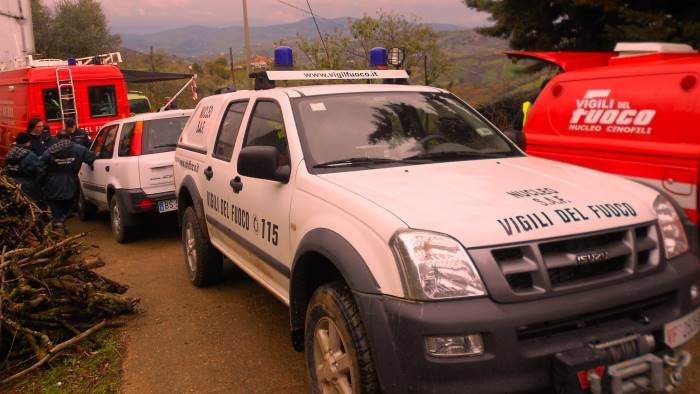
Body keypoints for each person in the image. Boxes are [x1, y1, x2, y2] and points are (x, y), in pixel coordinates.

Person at [40, 130, 96, 228]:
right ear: (70, 137)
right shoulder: (79, 149)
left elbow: (40, 165)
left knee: (55, 205)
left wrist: (43, 181)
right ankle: (60, 220)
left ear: (57, 139)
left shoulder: (49, 150)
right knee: (68, 205)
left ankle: (58, 222)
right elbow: (91, 158)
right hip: (71, 183)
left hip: (53, 184)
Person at [4, 132, 45, 205]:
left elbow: (6, 169)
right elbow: (40, 170)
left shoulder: (9, 153)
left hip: (12, 186)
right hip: (29, 187)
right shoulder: (29, 154)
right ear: (28, 142)